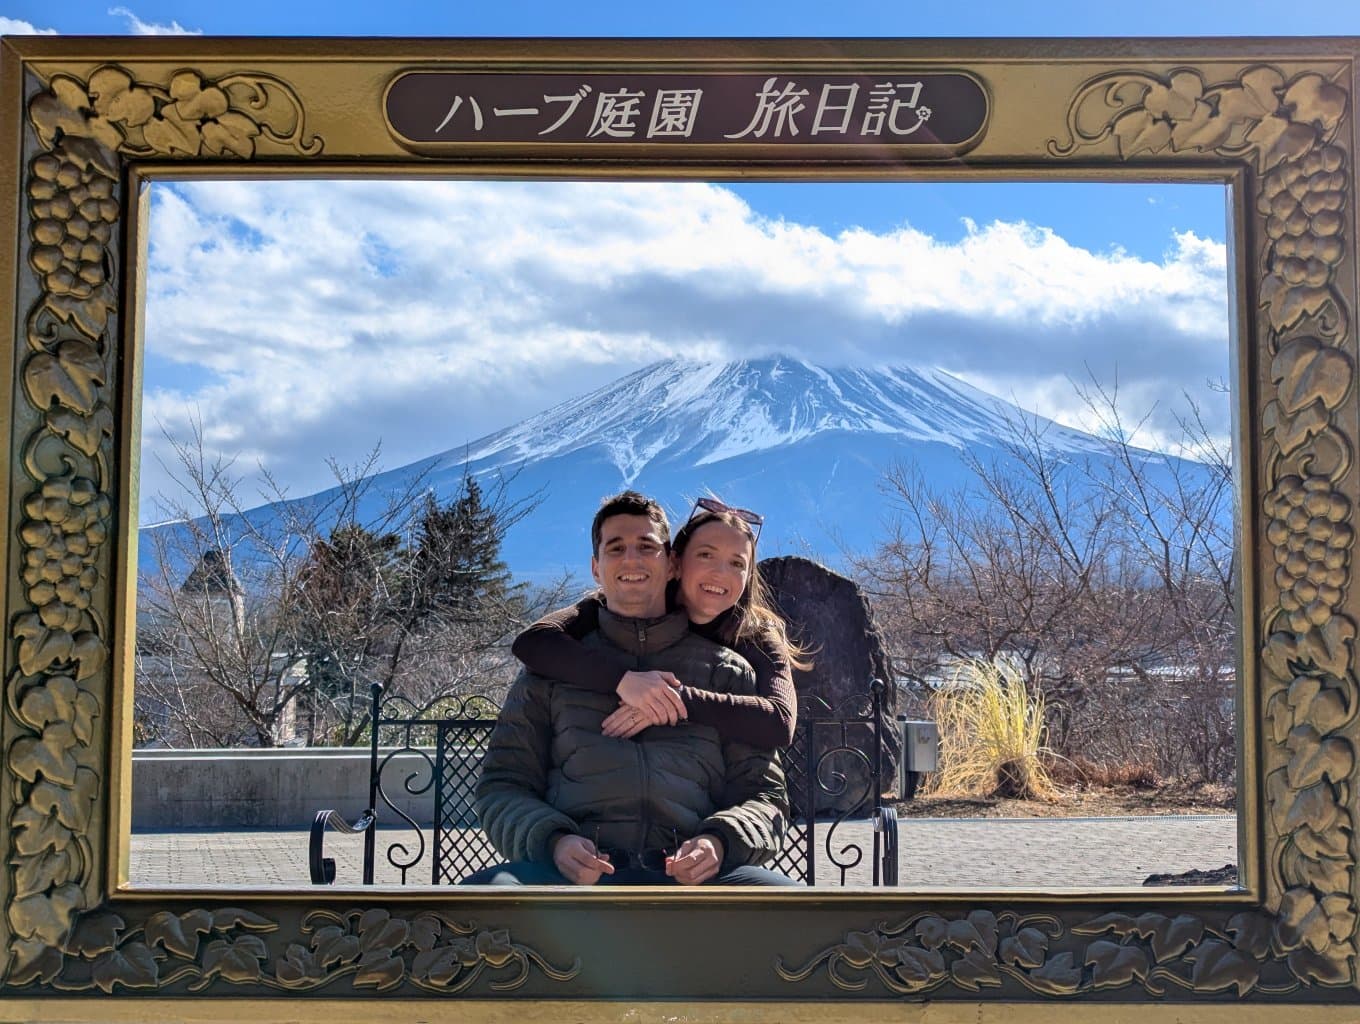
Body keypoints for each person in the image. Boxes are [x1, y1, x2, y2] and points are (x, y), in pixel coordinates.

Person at [463, 491, 796, 886]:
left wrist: (719, 841)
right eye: (616, 547)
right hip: (570, 875)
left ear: (671, 563)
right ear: (595, 567)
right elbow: (503, 786)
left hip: (693, 877)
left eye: (646, 546)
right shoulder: (550, 668)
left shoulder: (729, 671)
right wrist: (553, 841)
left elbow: (766, 797)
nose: (632, 560)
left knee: (797, 915)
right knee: (479, 904)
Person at [511, 495, 808, 750]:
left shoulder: (756, 633)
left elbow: (780, 722)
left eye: (737, 563)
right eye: (706, 555)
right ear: (674, 563)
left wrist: (669, 700)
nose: (720, 573)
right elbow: (534, 641)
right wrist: (623, 681)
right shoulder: (638, 603)